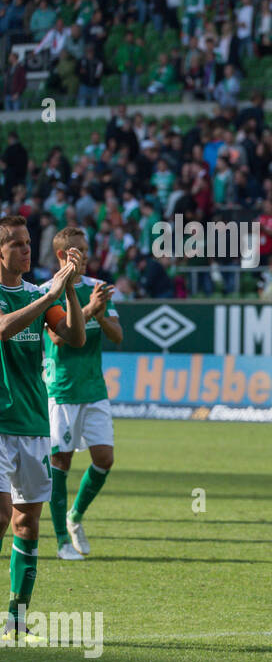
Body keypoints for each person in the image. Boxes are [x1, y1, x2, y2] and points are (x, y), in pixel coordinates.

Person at [0, 216, 87, 643]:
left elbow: (74, 336)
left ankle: (16, 619)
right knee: (0, 514)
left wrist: (68, 288)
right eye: (16, 244)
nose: (25, 250)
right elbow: (2, 328)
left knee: (26, 523)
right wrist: (51, 291)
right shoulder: (16, 297)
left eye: (27, 243)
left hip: (33, 423)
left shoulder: (39, 294)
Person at [45, 227, 121, 561]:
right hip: (62, 389)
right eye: (77, 251)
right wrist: (89, 310)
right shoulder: (48, 291)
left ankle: (74, 516)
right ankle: (62, 540)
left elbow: (117, 336)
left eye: (87, 250)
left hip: (94, 388)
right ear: (62, 255)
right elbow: (60, 339)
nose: (85, 256)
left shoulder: (98, 288)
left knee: (104, 459)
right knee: (61, 461)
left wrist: (102, 316)